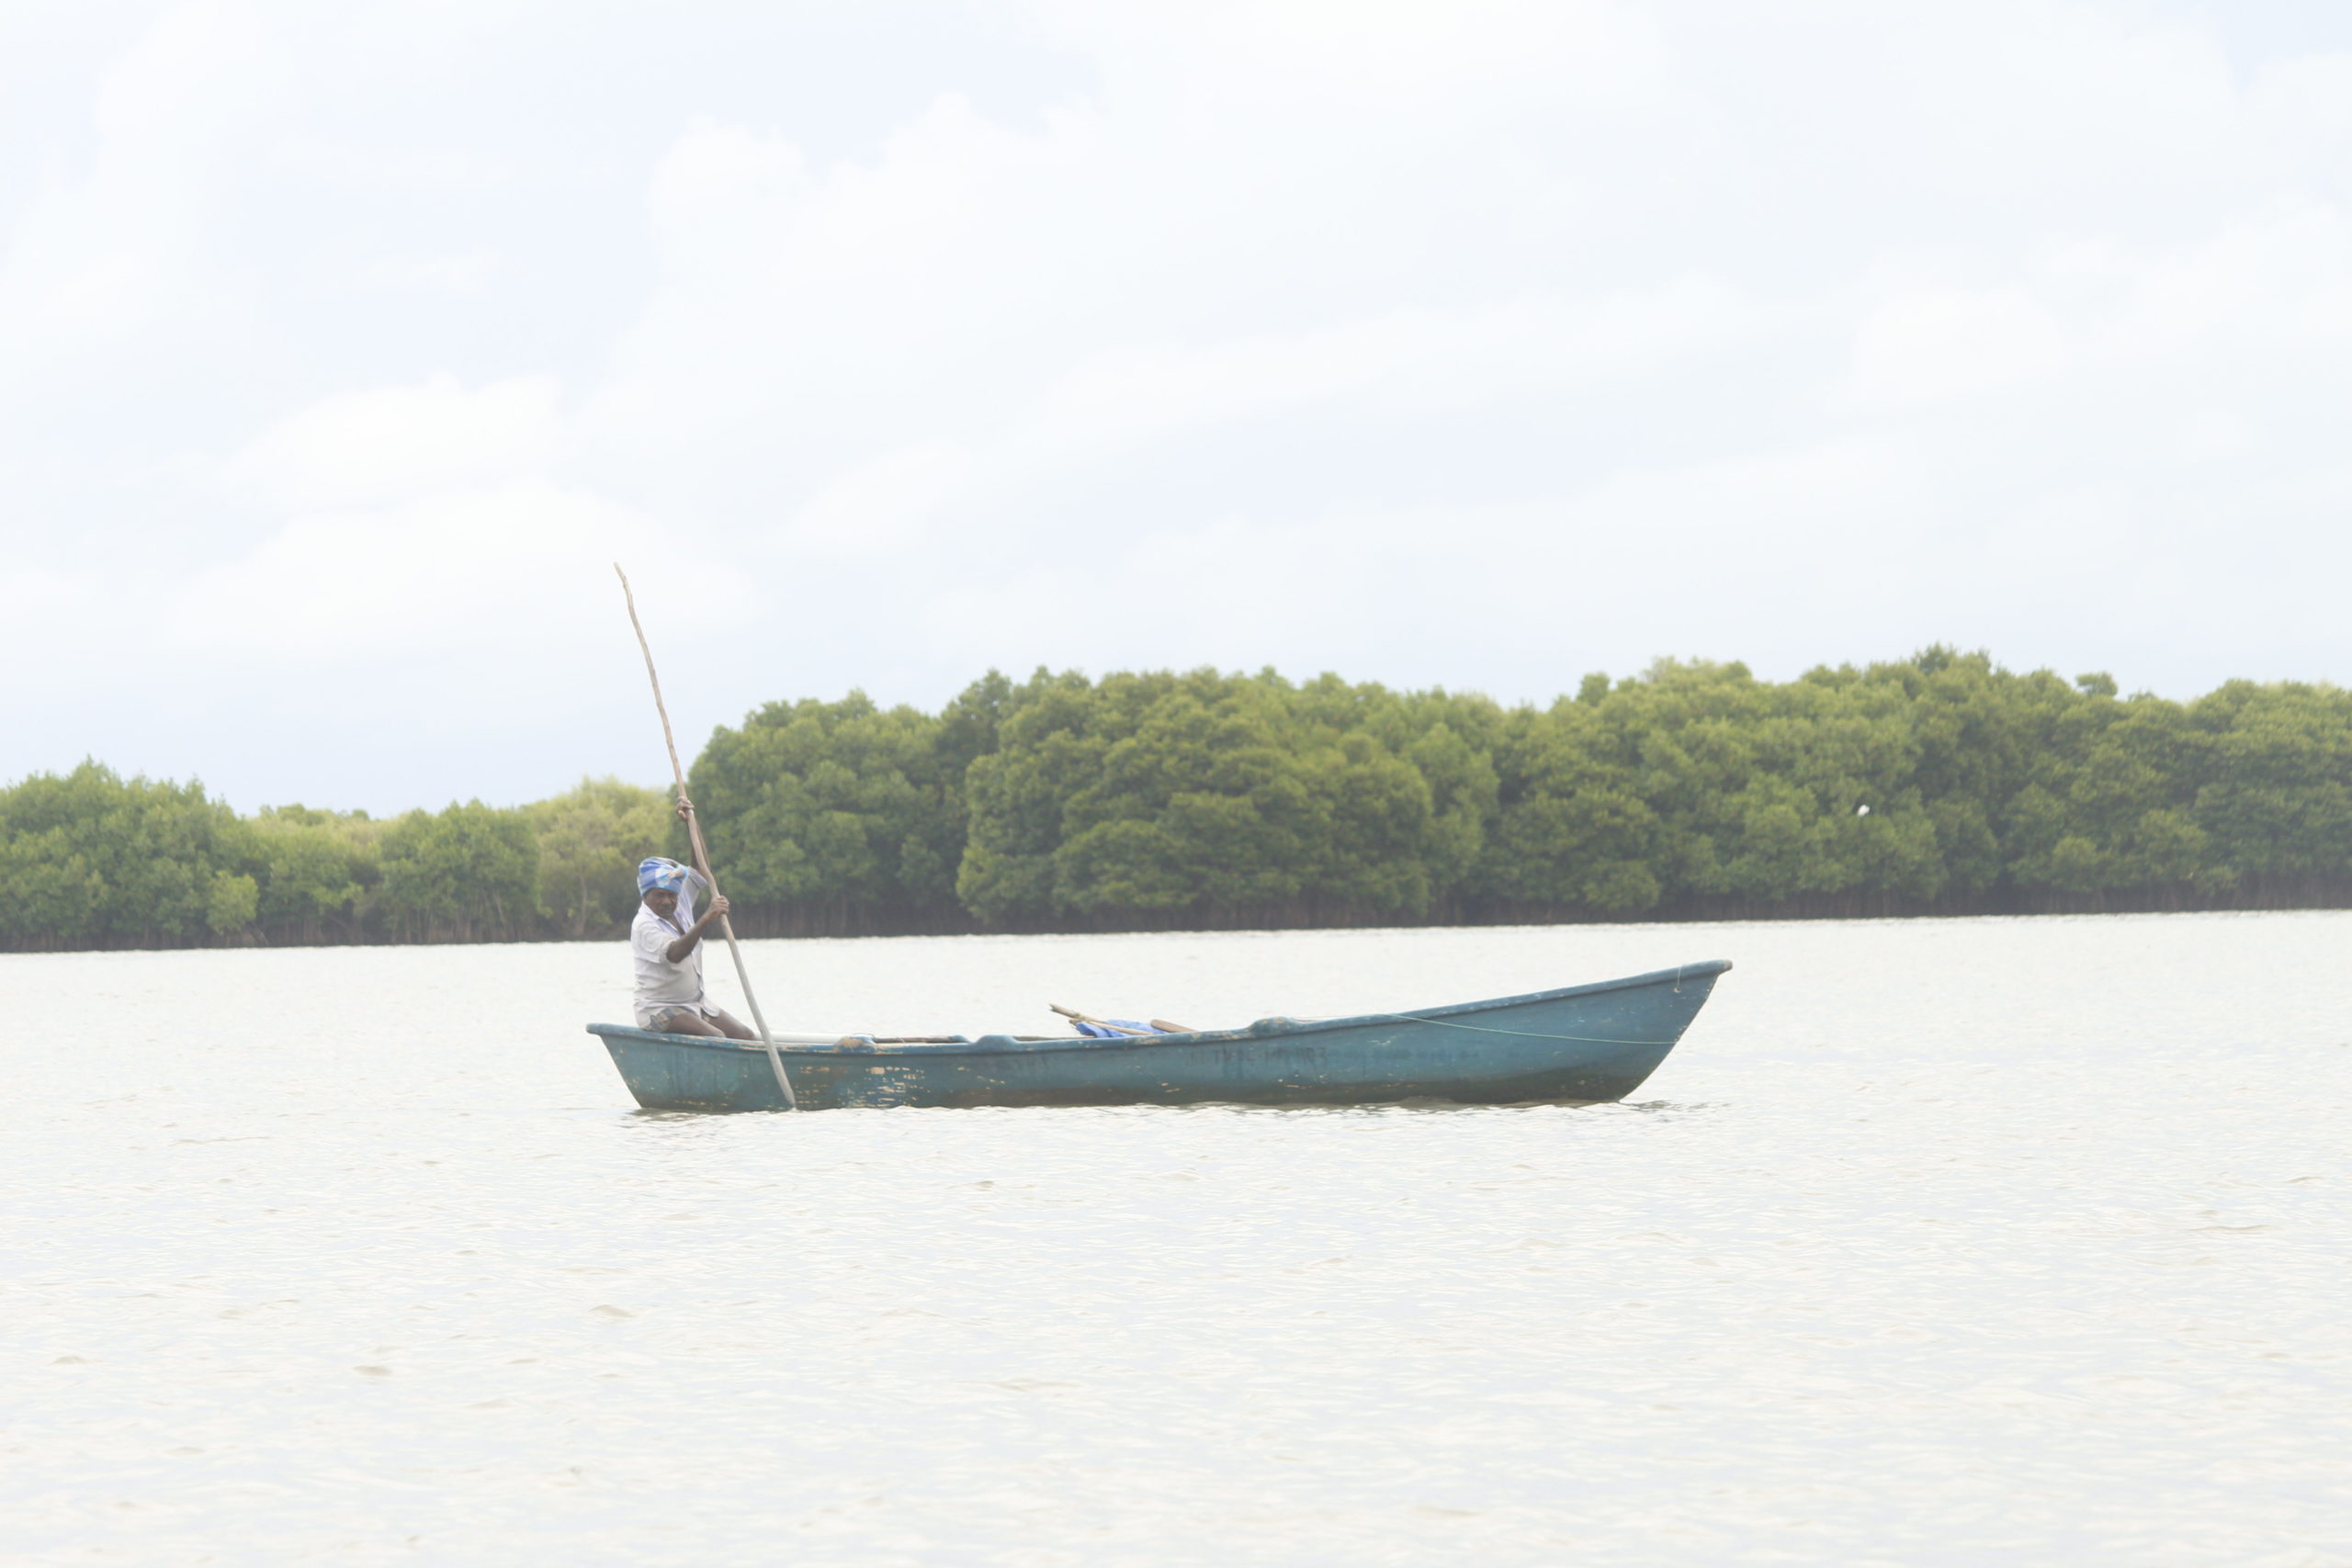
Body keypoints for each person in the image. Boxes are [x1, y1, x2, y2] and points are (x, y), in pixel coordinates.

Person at [632, 849, 755, 1038]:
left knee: (745, 1036)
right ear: (645, 896)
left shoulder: (679, 901)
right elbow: (675, 954)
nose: (667, 901)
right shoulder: (644, 925)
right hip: (659, 1009)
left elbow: (699, 868)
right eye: (659, 895)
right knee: (717, 1037)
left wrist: (692, 821)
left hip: (696, 1004)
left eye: (671, 895)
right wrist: (707, 918)